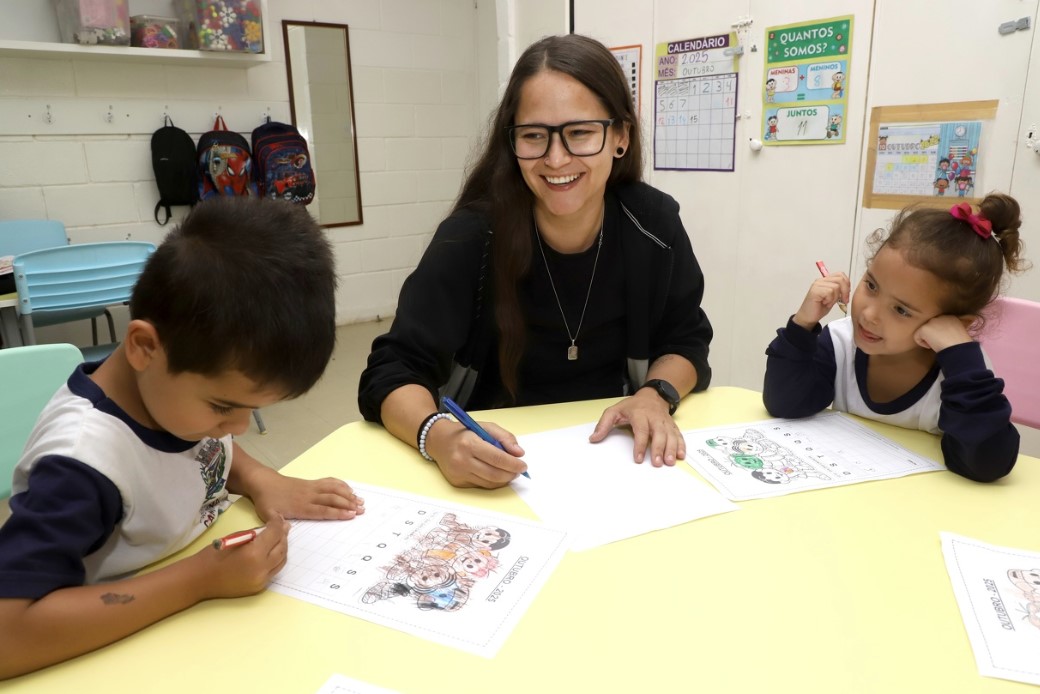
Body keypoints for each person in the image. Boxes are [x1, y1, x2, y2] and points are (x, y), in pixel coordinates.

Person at [0, 198, 365, 679]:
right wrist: (199, 581)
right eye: (223, 407)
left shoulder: (169, 403)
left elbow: (200, 452)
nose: (236, 428)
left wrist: (258, 478)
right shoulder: (80, 466)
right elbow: (9, 636)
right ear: (144, 347)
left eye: (251, 410)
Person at [359, 34, 713, 489]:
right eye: (534, 136)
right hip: (497, 460)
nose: (556, 158)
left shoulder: (654, 224)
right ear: (512, 143)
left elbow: (686, 340)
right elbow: (391, 371)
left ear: (620, 136)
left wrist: (654, 395)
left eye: (580, 132)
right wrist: (438, 437)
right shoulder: (471, 238)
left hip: (615, 456)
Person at [762, 194, 1029, 482]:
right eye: (872, 285)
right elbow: (785, 404)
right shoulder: (841, 340)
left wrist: (960, 354)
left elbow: (988, 464)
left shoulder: (963, 373)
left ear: (952, 324)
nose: (869, 314)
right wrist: (802, 325)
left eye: (901, 309)